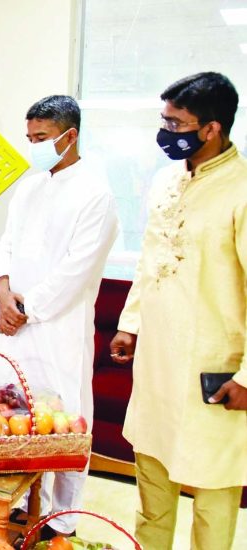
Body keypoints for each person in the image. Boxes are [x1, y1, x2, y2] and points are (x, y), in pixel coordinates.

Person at [109, 72, 247, 550]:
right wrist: (130, 325)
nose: (166, 132)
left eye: (177, 123)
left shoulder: (241, 189)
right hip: (158, 363)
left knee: (213, 486)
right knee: (152, 472)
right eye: (163, 120)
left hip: (215, 366)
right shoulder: (167, 181)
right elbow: (152, 259)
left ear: (212, 128)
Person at [0, 95, 119, 539]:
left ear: (70, 136)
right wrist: (2, 291)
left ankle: (59, 518)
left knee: (66, 419)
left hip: (57, 327)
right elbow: (4, 244)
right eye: (29, 138)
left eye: (41, 138)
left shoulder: (96, 195)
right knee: (5, 410)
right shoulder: (30, 184)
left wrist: (25, 308)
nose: (34, 147)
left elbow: (77, 270)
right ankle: (10, 500)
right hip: (11, 324)